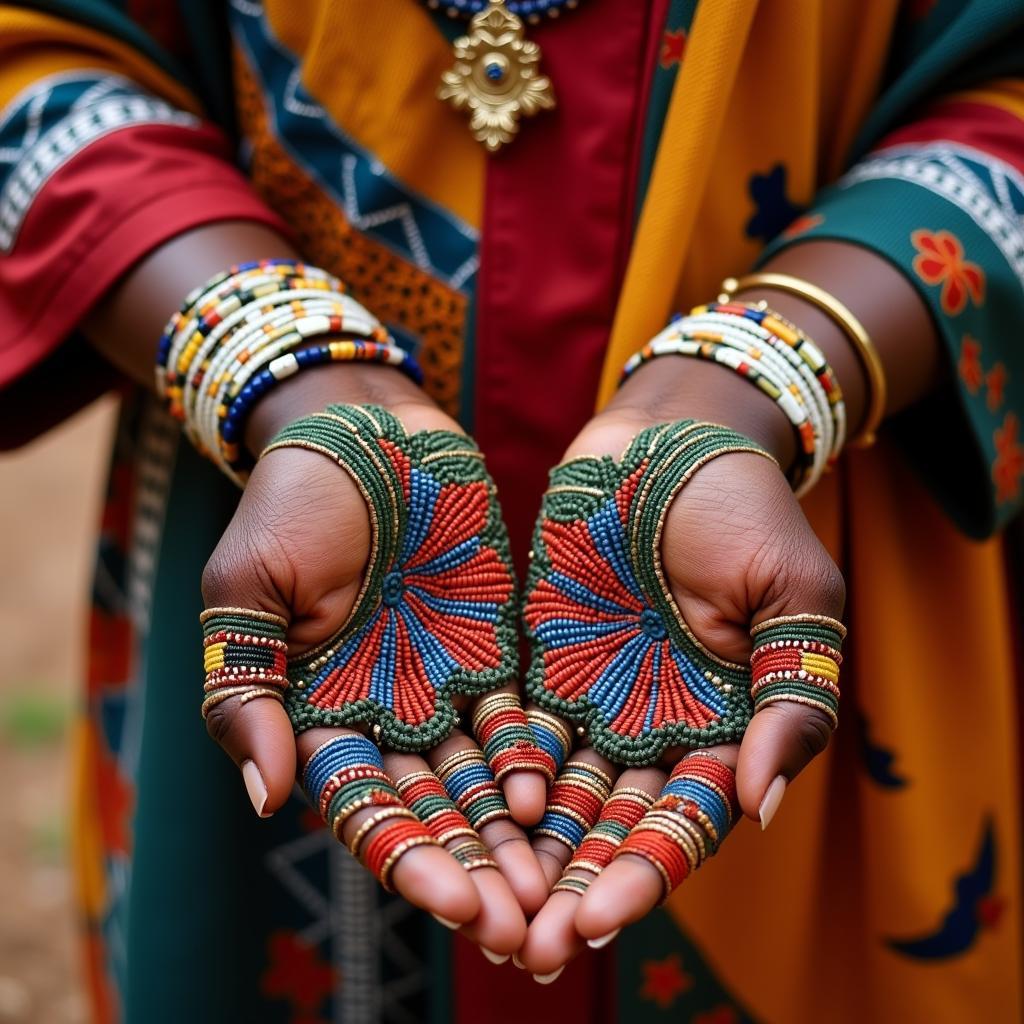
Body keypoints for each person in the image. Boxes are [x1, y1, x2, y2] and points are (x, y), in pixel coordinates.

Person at [1, 0, 1022, 1020]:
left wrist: (754, 381)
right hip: (287, 524)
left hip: (824, 507)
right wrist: (282, 368)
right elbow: (40, 52)